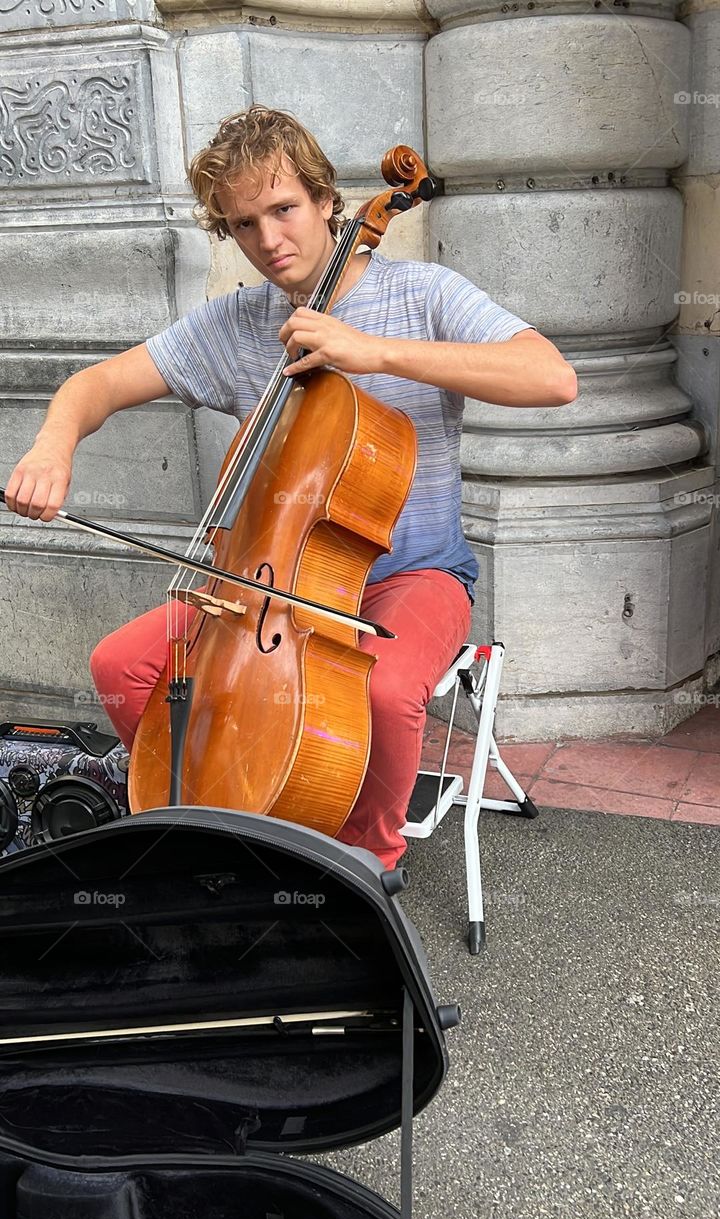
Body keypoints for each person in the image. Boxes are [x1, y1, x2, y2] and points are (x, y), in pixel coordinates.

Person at [4, 105, 577, 871]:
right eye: (244, 224)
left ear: (326, 201)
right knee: (123, 664)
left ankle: (367, 864)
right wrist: (53, 444)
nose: (269, 241)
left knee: (380, 692)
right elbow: (99, 383)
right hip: (269, 586)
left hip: (411, 575)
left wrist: (373, 352)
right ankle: (219, 823)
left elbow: (551, 377)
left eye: (283, 209)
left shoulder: (425, 294)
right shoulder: (234, 324)